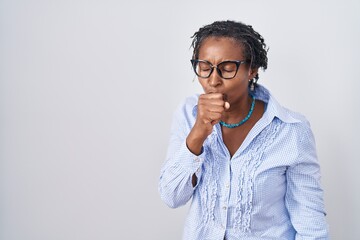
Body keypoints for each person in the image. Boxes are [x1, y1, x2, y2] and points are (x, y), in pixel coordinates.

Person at [159, 20, 329, 240]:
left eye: (227, 68)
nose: (213, 80)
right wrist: (198, 133)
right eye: (204, 67)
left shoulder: (292, 131)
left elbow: (310, 224)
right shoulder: (187, 114)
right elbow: (171, 196)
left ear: (252, 70)